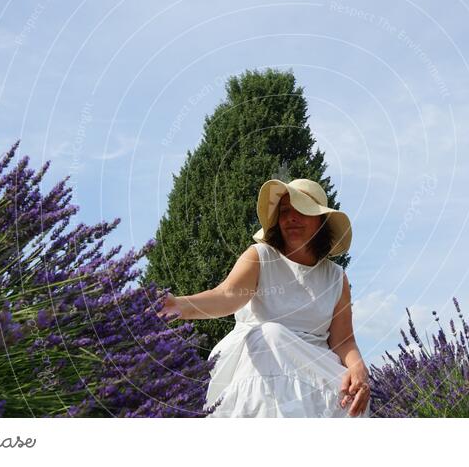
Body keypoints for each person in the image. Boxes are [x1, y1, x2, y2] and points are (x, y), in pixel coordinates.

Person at [158, 178, 371, 417]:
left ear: (321, 221)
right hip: (260, 357)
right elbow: (226, 295)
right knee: (272, 335)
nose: (291, 217)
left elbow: (343, 341)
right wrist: (179, 305)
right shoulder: (259, 256)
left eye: (301, 210)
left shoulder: (335, 276)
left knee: (350, 388)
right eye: (284, 211)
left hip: (313, 364)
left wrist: (357, 368)